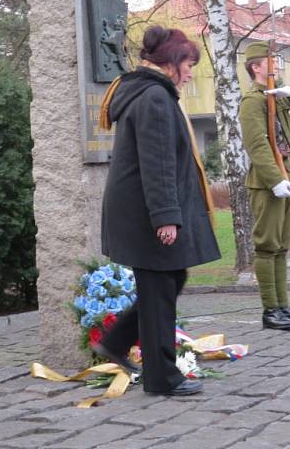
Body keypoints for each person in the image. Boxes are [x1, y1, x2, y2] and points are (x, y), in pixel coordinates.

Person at [96, 26, 221, 396]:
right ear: (170, 63)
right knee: (160, 290)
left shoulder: (150, 93)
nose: (190, 71)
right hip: (146, 215)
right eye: (188, 63)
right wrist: (165, 217)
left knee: (168, 282)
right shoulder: (153, 98)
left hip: (139, 211)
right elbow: (157, 162)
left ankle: (117, 342)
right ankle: (162, 378)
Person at [238, 41, 290, 331]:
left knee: (282, 246)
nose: (277, 65)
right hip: (269, 182)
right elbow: (257, 144)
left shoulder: (277, 96)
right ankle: (270, 309)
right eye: (271, 61)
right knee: (267, 246)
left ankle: (283, 306)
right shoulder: (252, 101)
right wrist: (275, 180)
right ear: (256, 67)